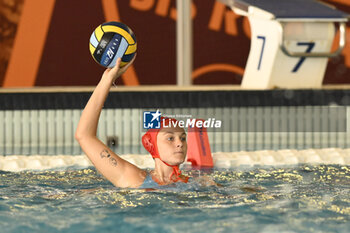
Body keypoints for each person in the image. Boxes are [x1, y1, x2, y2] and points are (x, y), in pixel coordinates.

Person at [75, 57, 189, 188]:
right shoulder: (133, 178)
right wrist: (107, 80)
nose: (180, 143)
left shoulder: (198, 183)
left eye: (183, 138)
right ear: (151, 144)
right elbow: (84, 135)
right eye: (170, 138)